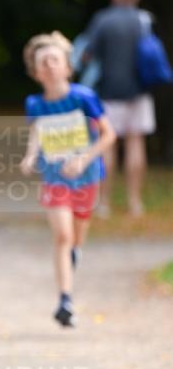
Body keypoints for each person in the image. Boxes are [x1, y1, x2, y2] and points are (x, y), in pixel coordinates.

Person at [20, 32, 116, 328]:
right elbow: (38, 131)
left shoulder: (83, 97)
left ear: (67, 67)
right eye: (43, 62)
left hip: (87, 178)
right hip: (55, 178)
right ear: (36, 72)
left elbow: (108, 134)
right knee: (62, 235)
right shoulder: (35, 103)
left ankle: (74, 253)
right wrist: (30, 155)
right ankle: (65, 300)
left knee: (75, 236)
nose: (49, 65)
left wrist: (84, 159)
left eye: (54, 60)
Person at [82, 0, 155, 217]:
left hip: (109, 92)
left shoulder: (103, 20)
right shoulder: (144, 20)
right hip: (140, 91)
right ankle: (135, 203)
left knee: (107, 145)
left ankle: (104, 203)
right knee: (136, 143)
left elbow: (87, 55)